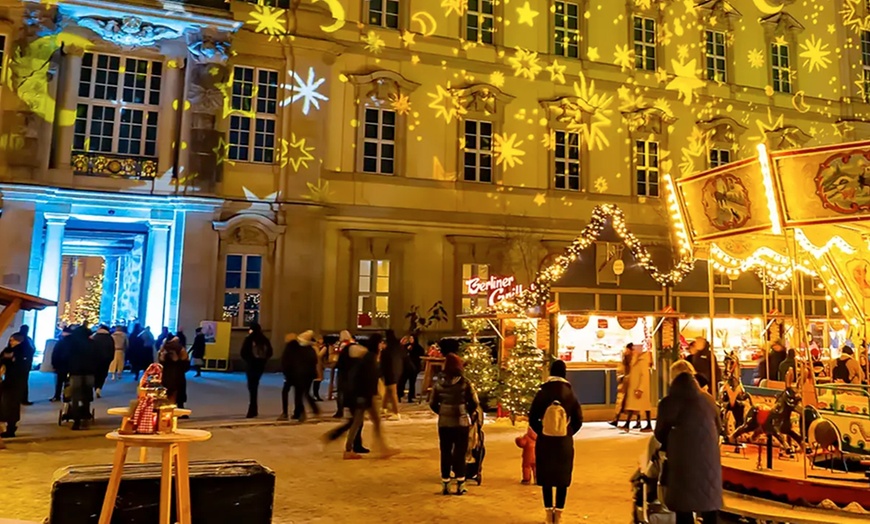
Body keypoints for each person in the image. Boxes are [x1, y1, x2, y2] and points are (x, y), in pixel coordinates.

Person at [655, 361, 723, 524]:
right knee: (709, 503)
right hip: (709, 462)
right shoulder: (709, 400)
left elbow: (660, 434)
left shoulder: (669, 402)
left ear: (673, 379)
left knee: (684, 508)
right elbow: (719, 427)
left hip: (682, 463)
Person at [324, 333, 397, 459]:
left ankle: (383, 448)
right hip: (363, 394)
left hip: (365, 394)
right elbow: (365, 377)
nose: (382, 345)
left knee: (373, 422)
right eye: (381, 342)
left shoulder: (370, 356)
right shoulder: (369, 357)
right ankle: (349, 450)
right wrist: (366, 395)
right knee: (357, 422)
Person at [528, 360, 584, 524]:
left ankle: (547, 514)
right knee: (562, 477)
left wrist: (543, 431)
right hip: (563, 442)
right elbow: (579, 419)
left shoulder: (543, 391)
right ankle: (558, 514)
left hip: (545, 441)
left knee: (546, 477)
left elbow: (532, 418)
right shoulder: (570, 393)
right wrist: (568, 432)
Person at [430, 353, 479, 495]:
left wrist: (442, 412)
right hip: (461, 421)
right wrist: (467, 412)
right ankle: (460, 483)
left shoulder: (439, 382)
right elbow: (474, 402)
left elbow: (432, 402)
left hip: (444, 423)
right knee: (460, 453)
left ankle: (445, 482)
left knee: (445, 452)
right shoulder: (465, 382)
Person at [279, 331, 320, 421]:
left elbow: (285, 362)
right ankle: (299, 412)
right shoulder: (304, 349)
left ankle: (286, 413)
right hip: (303, 374)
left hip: (291, 375)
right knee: (300, 394)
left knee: (287, 392)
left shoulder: (289, 348)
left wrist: (286, 374)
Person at [67, 325, 100, 430]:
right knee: (87, 394)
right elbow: (98, 358)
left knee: (75, 396)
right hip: (89, 373)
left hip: (75, 372)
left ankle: (76, 420)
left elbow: (64, 357)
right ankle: (85, 414)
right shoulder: (93, 344)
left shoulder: (71, 344)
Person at [240, 322, 273, 418]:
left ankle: (252, 409)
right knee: (255, 384)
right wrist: (263, 361)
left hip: (251, 365)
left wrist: (249, 360)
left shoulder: (249, 339)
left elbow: (243, 352)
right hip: (260, 366)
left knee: (252, 387)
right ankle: (254, 409)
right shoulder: (264, 339)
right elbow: (270, 352)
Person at [0, 333, 27, 437]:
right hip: (7, 381)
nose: (11, 342)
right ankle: (7, 426)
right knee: (6, 404)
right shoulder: (8, 350)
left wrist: (9, 359)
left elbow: (19, 366)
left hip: (15, 382)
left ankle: (11, 427)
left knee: (11, 405)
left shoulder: (22, 351)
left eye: (13, 340)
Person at [623, 343, 653, 432]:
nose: (633, 351)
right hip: (635, 387)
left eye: (634, 349)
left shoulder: (642, 361)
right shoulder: (637, 360)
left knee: (643, 406)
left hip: (639, 389)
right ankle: (628, 424)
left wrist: (640, 388)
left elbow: (644, 376)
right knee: (634, 406)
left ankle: (646, 425)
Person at [159, 338, 190, 410]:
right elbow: (160, 366)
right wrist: (163, 357)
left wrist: (177, 360)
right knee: (168, 393)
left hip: (177, 377)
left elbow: (186, 367)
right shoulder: (164, 351)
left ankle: (179, 408)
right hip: (168, 376)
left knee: (178, 393)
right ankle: (169, 408)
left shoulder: (181, 352)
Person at [380, 330, 405, 418]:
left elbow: (383, 361)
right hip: (398, 369)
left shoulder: (387, 348)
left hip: (389, 370)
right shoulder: (399, 346)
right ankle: (383, 407)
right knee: (388, 389)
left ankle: (396, 412)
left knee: (393, 391)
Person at [609, 344, 634, 428]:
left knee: (632, 404)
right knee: (622, 403)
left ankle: (630, 421)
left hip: (631, 385)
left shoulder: (633, 362)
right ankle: (617, 419)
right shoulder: (624, 363)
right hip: (625, 386)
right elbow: (620, 373)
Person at [50, 327, 73, 402]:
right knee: (68, 382)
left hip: (60, 365)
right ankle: (66, 396)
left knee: (59, 382)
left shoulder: (61, 342)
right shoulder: (75, 342)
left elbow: (55, 353)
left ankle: (57, 396)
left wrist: (54, 364)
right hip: (70, 365)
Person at [400, 335, 425, 402]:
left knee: (412, 382)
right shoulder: (406, 346)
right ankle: (399, 395)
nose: (411, 339)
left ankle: (410, 397)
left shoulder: (418, 348)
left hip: (414, 367)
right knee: (402, 381)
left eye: (412, 338)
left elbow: (420, 355)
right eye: (410, 338)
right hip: (406, 367)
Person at [92, 325, 114, 398]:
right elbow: (112, 350)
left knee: (95, 373)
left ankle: (95, 387)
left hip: (95, 359)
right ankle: (99, 388)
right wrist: (110, 359)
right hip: (105, 360)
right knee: (103, 374)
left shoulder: (95, 337)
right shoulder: (110, 338)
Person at [16, 325, 35, 405]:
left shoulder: (20, 337)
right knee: (22, 382)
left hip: (21, 363)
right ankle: (22, 399)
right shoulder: (26, 339)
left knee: (20, 381)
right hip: (22, 363)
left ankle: (20, 398)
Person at [312, 334, 327, 401]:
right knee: (316, 380)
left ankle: (316, 394)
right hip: (314, 364)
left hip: (319, 365)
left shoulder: (323, 347)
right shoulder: (315, 347)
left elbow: (319, 355)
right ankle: (315, 395)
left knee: (318, 380)